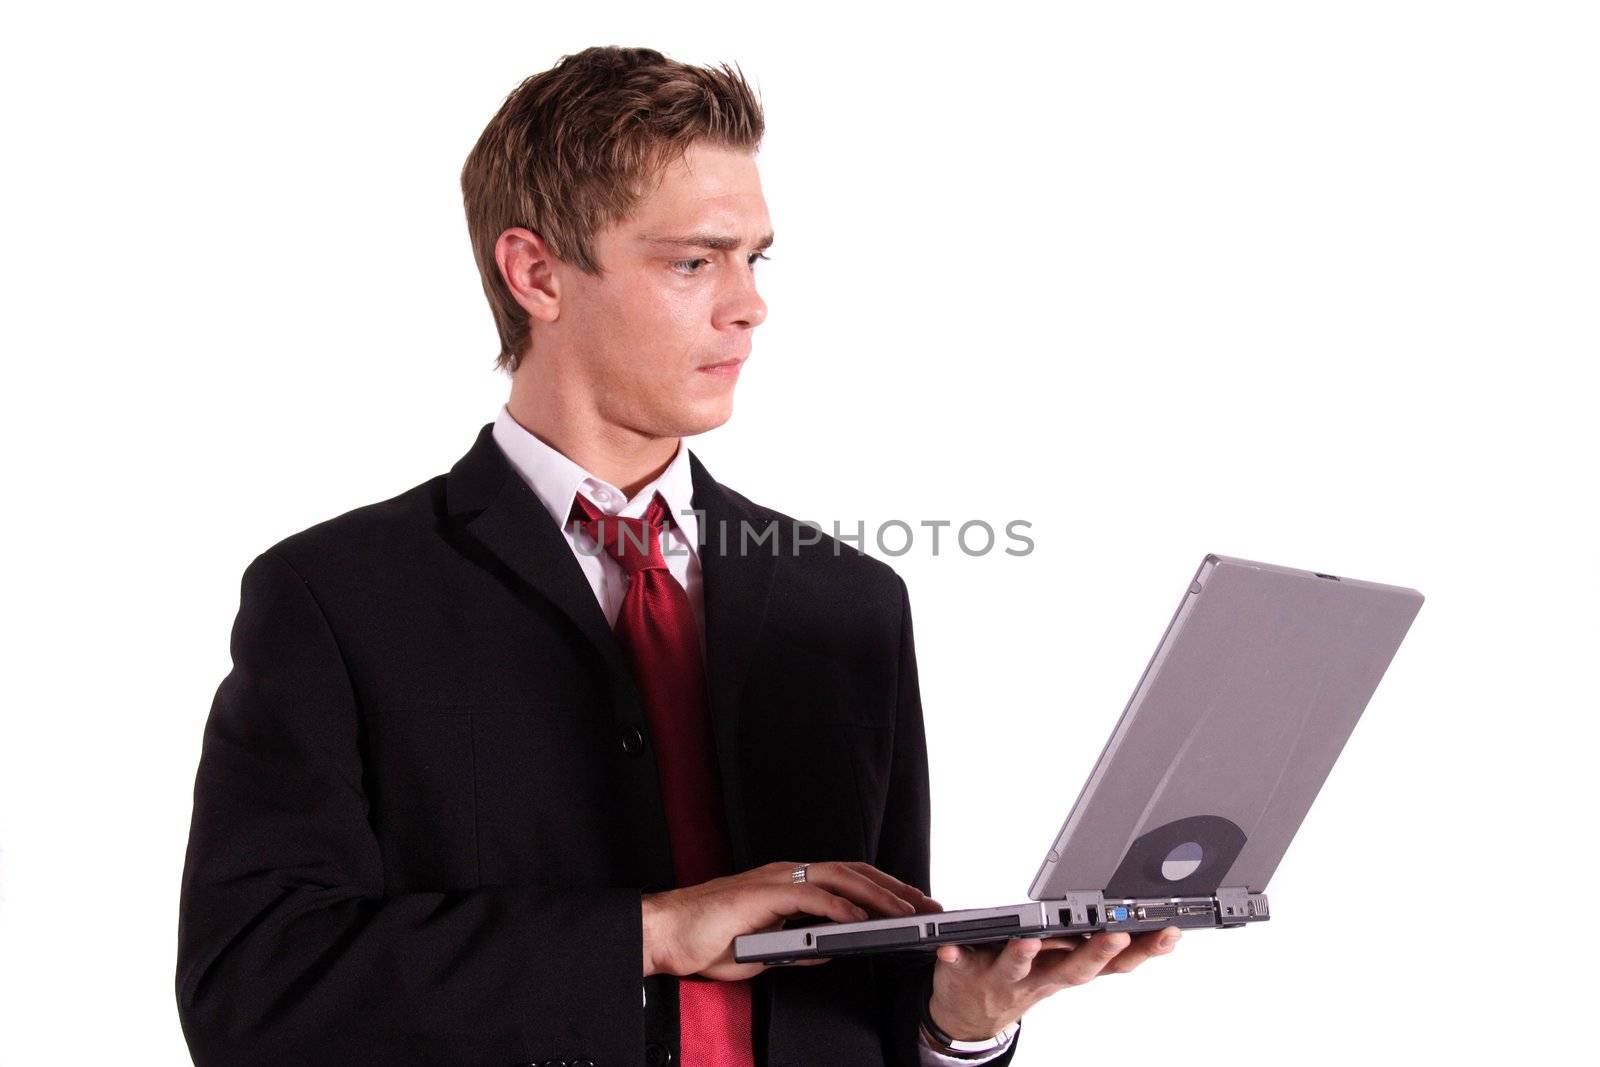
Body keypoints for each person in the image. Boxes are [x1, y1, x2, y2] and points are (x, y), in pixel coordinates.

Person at [174, 45, 1181, 1067]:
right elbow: (252, 989)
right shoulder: (341, 597)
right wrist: (651, 930)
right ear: (535, 273)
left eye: (756, 256)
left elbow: (867, 1020)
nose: (749, 304)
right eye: (694, 260)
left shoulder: (849, 599)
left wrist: (959, 1021)